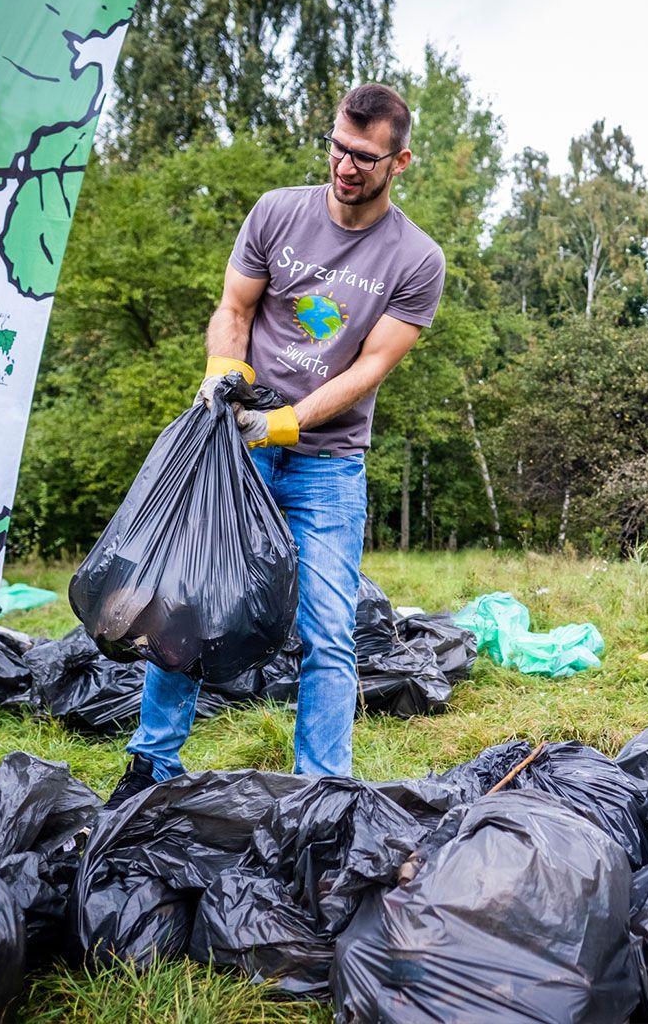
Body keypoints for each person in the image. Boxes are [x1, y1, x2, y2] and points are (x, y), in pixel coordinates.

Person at [107, 84, 446, 808]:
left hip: (330, 465)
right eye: (338, 147)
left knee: (329, 633)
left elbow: (370, 367)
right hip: (240, 453)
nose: (345, 166)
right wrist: (222, 373)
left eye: (365, 156)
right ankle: (150, 766)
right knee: (187, 604)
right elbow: (235, 308)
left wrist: (286, 423)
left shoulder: (417, 259)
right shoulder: (276, 212)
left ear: (400, 162)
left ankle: (320, 793)